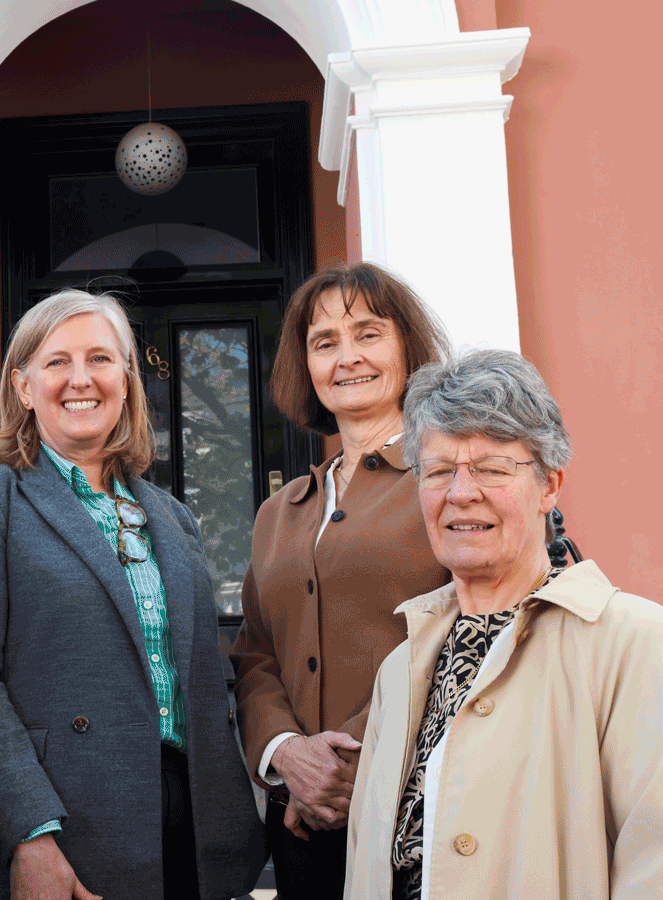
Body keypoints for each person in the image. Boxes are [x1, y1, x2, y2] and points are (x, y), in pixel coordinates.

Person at [0, 289, 265, 900]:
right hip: (62, 819)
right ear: (23, 388)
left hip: (189, 822)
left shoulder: (173, 516)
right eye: (57, 362)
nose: (81, 379)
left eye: (102, 359)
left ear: (127, 382)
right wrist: (30, 833)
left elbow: (205, 677)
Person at [345, 349, 663, 900]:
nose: (461, 492)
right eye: (440, 471)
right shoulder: (401, 668)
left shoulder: (635, 643)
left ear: (549, 486)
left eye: (492, 469)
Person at [228, 263, 452, 898]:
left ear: (408, 347)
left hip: (417, 808)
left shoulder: (449, 480)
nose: (346, 357)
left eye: (368, 334)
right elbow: (255, 654)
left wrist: (343, 761)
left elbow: (468, 630)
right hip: (300, 828)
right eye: (324, 342)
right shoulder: (279, 511)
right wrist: (288, 756)